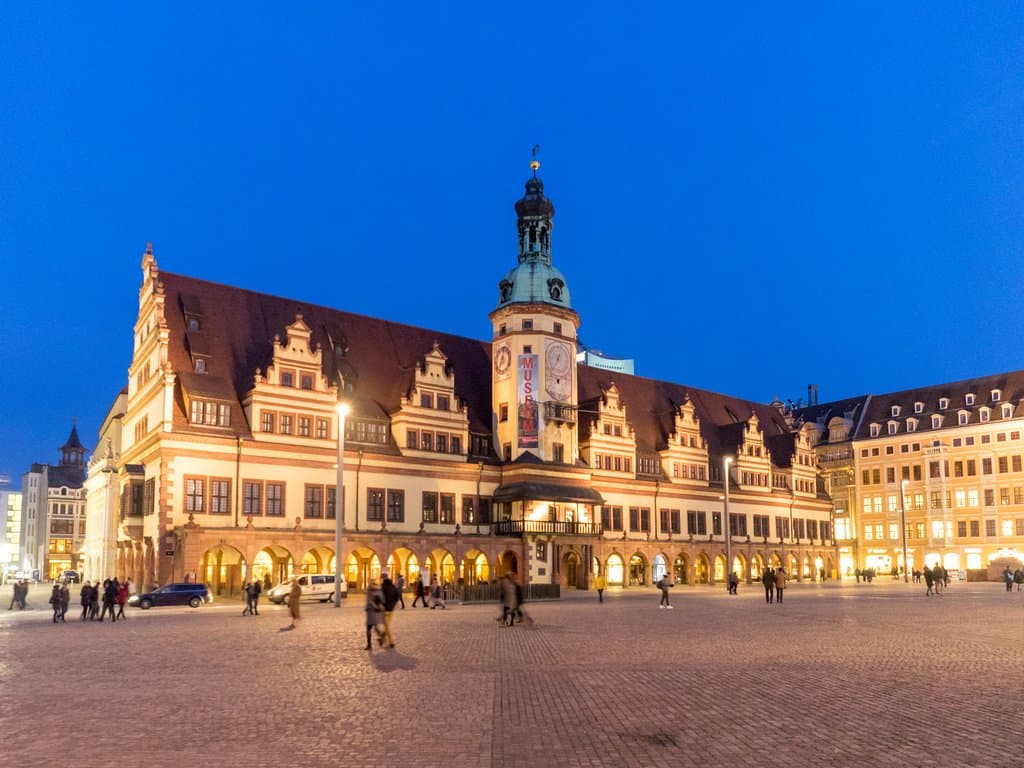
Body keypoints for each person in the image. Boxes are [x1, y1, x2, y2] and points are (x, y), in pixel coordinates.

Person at [364, 578, 386, 650]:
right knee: (374, 625)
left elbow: (370, 601)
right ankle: (381, 635)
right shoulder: (378, 589)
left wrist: (373, 606)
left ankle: (369, 645)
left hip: (371, 610)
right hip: (377, 611)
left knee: (368, 628)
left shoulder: (369, 589)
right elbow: (382, 600)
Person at [380, 572, 399, 648]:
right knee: (387, 625)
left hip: (384, 609)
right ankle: (383, 638)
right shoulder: (393, 586)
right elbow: (397, 597)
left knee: (387, 626)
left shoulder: (382, 587)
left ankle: (391, 642)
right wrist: (393, 604)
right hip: (391, 609)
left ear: (382, 579)